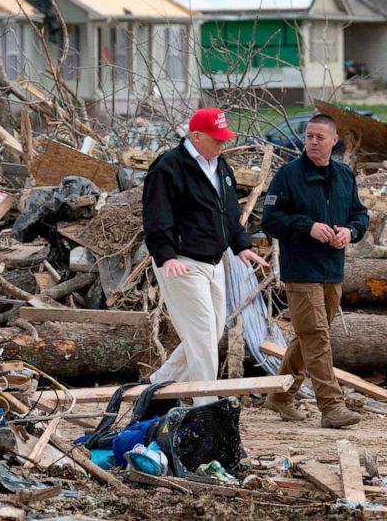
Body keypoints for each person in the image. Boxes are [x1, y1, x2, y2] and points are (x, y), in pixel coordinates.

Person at [142, 108, 269, 406]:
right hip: (181, 262)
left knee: (211, 335)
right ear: (196, 137)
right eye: (217, 139)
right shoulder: (168, 168)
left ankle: (157, 386)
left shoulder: (221, 166)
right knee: (201, 337)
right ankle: (206, 406)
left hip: (214, 261)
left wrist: (241, 245)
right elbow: (155, 215)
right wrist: (165, 255)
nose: (222, 144)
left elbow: (229, 214)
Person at [261, 114, 369, 428]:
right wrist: (307, 227)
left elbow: (361, 215)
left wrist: (351, 231)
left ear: (334, 140)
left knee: (308, 336)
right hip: (301, 270)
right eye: (308, 136)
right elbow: (269, 219)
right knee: (317, 337)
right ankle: (332, 406)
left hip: (332, 270)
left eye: (319, 137)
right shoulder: (288, 175)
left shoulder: (344, 175)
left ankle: (279, 396)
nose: (312, 142)